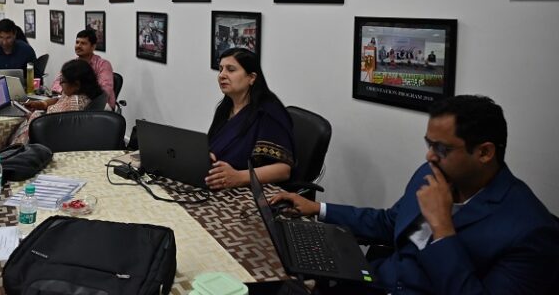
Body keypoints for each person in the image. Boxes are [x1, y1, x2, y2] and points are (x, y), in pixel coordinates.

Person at [270, 95, 559, 294]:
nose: (429, 156)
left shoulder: (531, 232)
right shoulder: (432, 174)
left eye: (442, 148)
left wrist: (442, 229)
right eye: (429, 144)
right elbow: (389, 222)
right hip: (376, 281)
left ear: (484, 152)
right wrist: (318, 208)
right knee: (274, 275)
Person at [205, 48, 294, 190]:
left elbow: (283, 170)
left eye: (231, 70)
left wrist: (239, 177)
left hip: (253, 190)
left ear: (251, 78)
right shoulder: (225, 108)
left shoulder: (268, 113)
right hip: (218, 182)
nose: (222, 75)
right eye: (221, 69)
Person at [10, 59, 107, 145]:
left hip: (52, 139)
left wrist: (32, 116)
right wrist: (42, 104)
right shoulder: (84, 93)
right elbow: (59, 98)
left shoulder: (73, 103)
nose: (60, 83)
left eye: (63, 81)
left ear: (76, 84)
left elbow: (49, 124)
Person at [51, 28, 115, 108]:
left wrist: (75, 93)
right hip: (74, 104)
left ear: (93, 46)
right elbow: (56, 84)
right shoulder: (72, 65)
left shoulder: (103, 65)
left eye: (83, 43)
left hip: (98, 108)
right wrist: (67, 90)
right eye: (77, 42)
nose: (78, 46)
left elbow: (105, 91)